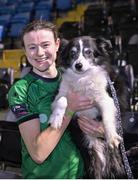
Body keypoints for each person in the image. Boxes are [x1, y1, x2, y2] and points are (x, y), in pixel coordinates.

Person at [8, 20, 103, 179]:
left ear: (57, 44)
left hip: (83, 175)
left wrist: (102, 131)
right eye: (32, 47)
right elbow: (38, 153)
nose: (39, 53)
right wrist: (69, 109)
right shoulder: (21, 91)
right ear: (24, 50)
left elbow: (106, 123)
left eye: (45, 45)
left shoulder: (76, 78)